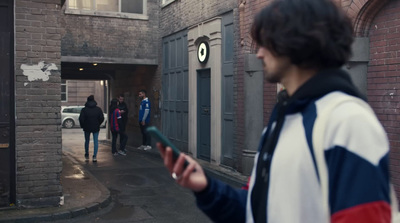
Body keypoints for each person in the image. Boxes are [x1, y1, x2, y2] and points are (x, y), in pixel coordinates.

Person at [156, 0, 393, 222]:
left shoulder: (347, 121)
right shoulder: (281, 122)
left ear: (296, 41)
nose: (259, 53)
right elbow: (256, 208)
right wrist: (206, 187)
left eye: (266, 43)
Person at [78, 95, 104, 163]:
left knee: (87, 141)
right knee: (96, 141)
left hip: (86, 127)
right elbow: (101, 118)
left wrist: (83, 125)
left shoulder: (84, 109)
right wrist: (98, 123)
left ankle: (87, 154)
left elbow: (81, 119)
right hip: (96, 127)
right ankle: (94, 156)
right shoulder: (98, 109)